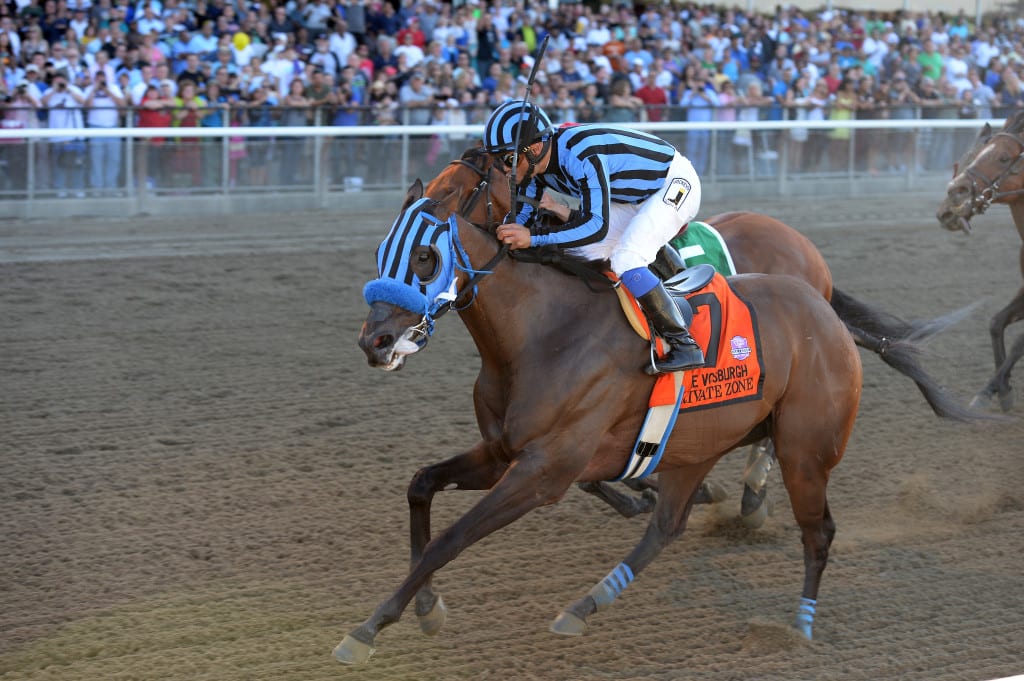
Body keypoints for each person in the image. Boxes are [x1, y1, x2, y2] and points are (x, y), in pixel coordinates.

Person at [484, 99, 705, 374]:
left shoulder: (580, 154)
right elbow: (523, 216)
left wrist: (532, 238)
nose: (505, 169)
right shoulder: (532, 168)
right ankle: (664, 281)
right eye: (499, 161)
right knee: (587, 253)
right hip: (634, 195)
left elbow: (595, 225)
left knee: (626, 258)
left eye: (508, 159)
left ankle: (684, 344)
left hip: (673, 183)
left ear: (536, 148)